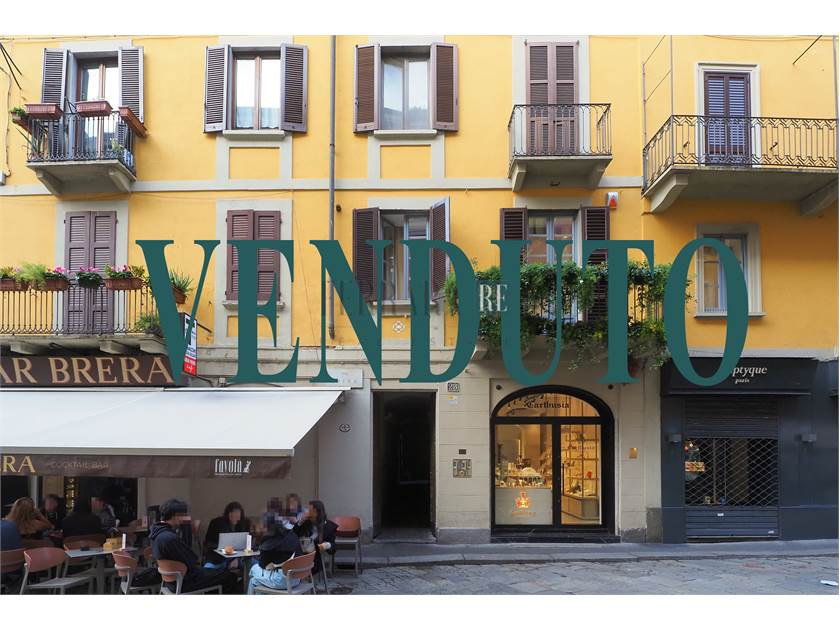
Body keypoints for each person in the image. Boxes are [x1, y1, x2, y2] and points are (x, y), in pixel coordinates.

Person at [149, 498, 238, 594]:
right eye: (183, 515)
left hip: (170, 581)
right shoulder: (170, 538)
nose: (185, 518)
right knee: (229, 576)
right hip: (184, 582)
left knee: (214, 572)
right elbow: (192, 560)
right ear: (176, 516)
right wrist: (186, 529)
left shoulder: (156, 533)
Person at [246, 521, 303, 594]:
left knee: (253, 569)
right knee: (255, 581)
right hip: (296, 579)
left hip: (282, 581)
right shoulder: (293, 536)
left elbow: (263, 565)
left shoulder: (270, 543)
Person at [292, 500, 337, 576]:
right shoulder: (305, 523)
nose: (308, 513)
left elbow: (333, 547)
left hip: (314, 556)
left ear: (318, 513)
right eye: (308, 510)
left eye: (311, 511)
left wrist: (326, 545)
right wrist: (299, 522)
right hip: (299, 552)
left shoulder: (329, 526)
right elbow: (293, 534)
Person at [204, 501, 252, 566]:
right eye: (232, 512)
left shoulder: (244, 524)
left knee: (253, 563)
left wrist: (237, 559)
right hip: (219, 556)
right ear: (227, 514)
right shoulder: (217, 523)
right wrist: (224, 550)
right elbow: (209, 543)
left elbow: (247, 545)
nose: (234, 515)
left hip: (239, 557)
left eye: (237, 513)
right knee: (209, 566)